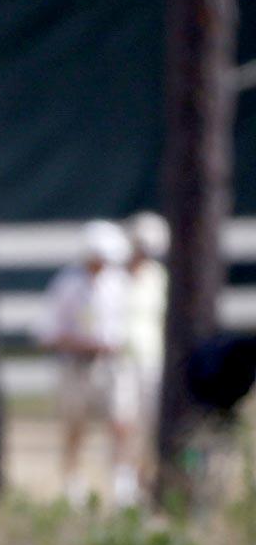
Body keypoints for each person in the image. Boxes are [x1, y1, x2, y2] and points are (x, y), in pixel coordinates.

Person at [34, 220, 130, 505]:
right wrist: (84, 344)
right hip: (76, 366)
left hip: (111, 365)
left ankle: (123, 484)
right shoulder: (67, 284)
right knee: (76, 426)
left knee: (121, 422)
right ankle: (72, 483)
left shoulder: (118, 283)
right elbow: (47, 332)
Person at [121, 212, 169, 495]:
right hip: (121, 361)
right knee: (124, 423)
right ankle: (125, 483)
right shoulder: (116, 278)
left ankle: (144, 480)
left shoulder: (159, 278)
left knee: (150, 425)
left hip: (152, 360)